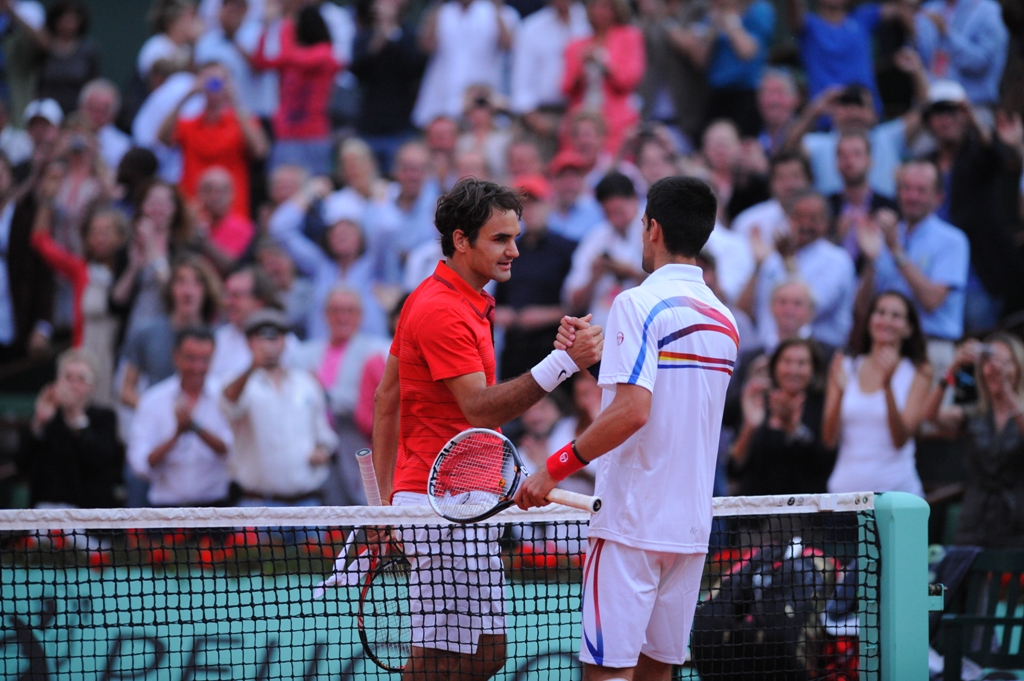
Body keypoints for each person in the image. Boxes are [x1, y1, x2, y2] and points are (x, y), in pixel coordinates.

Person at [371, 177, 603, 679]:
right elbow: (478, 409)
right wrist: (562, 363)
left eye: (515, 237)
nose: (514, 251)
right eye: (500, 239)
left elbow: (388, 399)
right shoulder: (440, 308)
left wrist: (384, 502)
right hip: (441, 511)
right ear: (461, 240)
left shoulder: (448, 298)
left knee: (477, 653)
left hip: (456, 503)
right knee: (459, 656)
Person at [515, 175, 737, 681]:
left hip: (631, 525)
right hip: (688, 530)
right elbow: (660, 402)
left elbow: (634, 411)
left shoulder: (637, 303)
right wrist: (586, 360)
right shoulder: (725, 320)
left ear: (651, 228)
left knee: (608, 676)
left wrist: (554, 468)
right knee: (657, 674)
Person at [853, 160, 970, 375]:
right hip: (885, 348)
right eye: (906, 189)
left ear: (938, 198)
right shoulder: (884, 234)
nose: (912, 196)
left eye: (921, 190)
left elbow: (932, 301)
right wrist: (870, 261)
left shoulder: (953, 241)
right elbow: (862, 308)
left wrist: (896, 251)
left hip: (931, 348)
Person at [221, 308, 338, 507]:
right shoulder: (237, 383)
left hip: (307, 501)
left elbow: (324, 434)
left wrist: (322, 450)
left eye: (274, 339)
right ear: (249, 343)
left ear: (284, 342)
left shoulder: (306, 382)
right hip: (258, 503)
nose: (268, 346)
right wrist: (252, 366)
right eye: (261, 339)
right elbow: (229, 404)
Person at [824, 290, 932, 496]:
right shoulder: (844, 366)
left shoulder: (919, 371)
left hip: (896, 495)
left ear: (909, 328)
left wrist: (887, 386)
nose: (886, 321)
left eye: (896, 316)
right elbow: (829, 439)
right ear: (870, 320)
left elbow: (900, 439)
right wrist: (839, 393)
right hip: (844, 494)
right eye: (880, 312)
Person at [923, 334, 1024, 548]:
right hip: (974, 522)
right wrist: (954, 367)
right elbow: (930, 416)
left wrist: (1007, 392)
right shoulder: (973, 414)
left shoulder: (1019, 414)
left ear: (1018, 368)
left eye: (1005, 362)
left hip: (1016, 523)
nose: (995, 369)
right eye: (988, 362)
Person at [294, 285, 389, 505]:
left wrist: (321, 392)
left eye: (349, 311)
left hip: (355, 444)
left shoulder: (376, 350)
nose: (342, 317)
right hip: (314, 448)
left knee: (364, 512)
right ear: (325, 315)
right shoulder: (305, 352)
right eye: (336, 311)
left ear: (360, 316)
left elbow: (365, 402)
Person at [127, 326, 234, 507]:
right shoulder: (152, 400)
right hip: (166, 512)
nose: (197, 368)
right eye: (191, 359)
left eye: (205, 360)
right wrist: (176, 435)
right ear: (176, 356)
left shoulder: (225, 397)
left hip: (216, 511)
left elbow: (232, 453)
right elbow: (140, 464)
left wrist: (195, 427)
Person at [157, 62, 269, 218]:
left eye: (220, 80)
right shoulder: (189, 124)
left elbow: (259, 150)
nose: (214, 85)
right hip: (193, 209)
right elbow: (162, 138)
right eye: (208, 79)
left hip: (232, 211)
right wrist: (187, 96)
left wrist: (235, 101)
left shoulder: (242, 122)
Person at [494, 174, 577, 380]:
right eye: (522, 206)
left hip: (554, 347)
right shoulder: (508, 249)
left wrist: (545, 315)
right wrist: (500, 314)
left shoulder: (567, 249)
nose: (528, 211)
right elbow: (498, 300)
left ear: (548, 205)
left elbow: (579, 305)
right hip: (515, 348)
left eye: (534, 204)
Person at [19, 348, 123, 508]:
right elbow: (22, 464)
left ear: (93, 386)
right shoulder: (50, 418)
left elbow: (100, 462)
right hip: (43, 515)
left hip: (89, 516)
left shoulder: (105, 418)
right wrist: (39, 423)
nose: (74, 385)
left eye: (81, 379)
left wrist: (76, 415)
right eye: (68, 377)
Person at [728, 338, 833, 495]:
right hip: (756, 510)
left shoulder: (821, 405)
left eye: (801, 363)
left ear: (813, 369)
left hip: (805, 511)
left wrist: (793, 427)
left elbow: (823, 465)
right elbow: (733, 468)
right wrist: (750, 427)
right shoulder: (757, 402)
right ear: (775, 366)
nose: (793, 370)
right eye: (787, 361)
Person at [119, 255, 222, 409]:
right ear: (171, 288)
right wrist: (157, 413)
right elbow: (126, 391)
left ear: (207, 290)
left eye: (197, 283)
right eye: (181, 282)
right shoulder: (145, 332)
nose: (188, 291)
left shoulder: (220, 337)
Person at [253, 5, 340, 175]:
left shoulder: (325, 54)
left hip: (313, 136)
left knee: (315, 190)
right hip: (286, 136)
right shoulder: (291, 59)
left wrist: (285, 23)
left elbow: (292, 57)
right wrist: (266, 28)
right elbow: (260, 62)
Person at [563, 171, 646, 329]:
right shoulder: (596, 238)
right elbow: (572, 301)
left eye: (620, 211)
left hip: (642, 329)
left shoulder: (653, 230)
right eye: (609, 213)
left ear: (634, 200)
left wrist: (630, 273)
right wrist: (595, 276)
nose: (615, 219)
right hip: (602, 336)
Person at [561, 0, 645, 155]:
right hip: (582, 120)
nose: (598, 11)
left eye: (605, 6)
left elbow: (629, 79)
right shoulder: (576, 44)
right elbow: (566, 87)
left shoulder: (629, 37)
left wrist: (602, 63)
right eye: (594, 6)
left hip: (617, 121)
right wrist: (582, 67)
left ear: (616, 10)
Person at [914, 0, 1008, 114]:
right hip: (931, 107)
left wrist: (947, 34)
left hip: (973, 108)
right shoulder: (931, 8)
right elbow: (923, 59)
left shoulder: (987, 10)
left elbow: (980, 63)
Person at [827, 132, 898, 268]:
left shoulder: (890, 206)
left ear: (870, 160)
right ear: (836, 163)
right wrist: (836, 236)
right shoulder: (826, 206)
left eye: (857, 154)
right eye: (843, 155)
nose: (849, 161)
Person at [78, 79, 132, 174]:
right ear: (81, 108)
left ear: (113, 115)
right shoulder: (64, 137)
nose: (95, 116)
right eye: (91, 108)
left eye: (102, 111)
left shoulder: (123, 148)